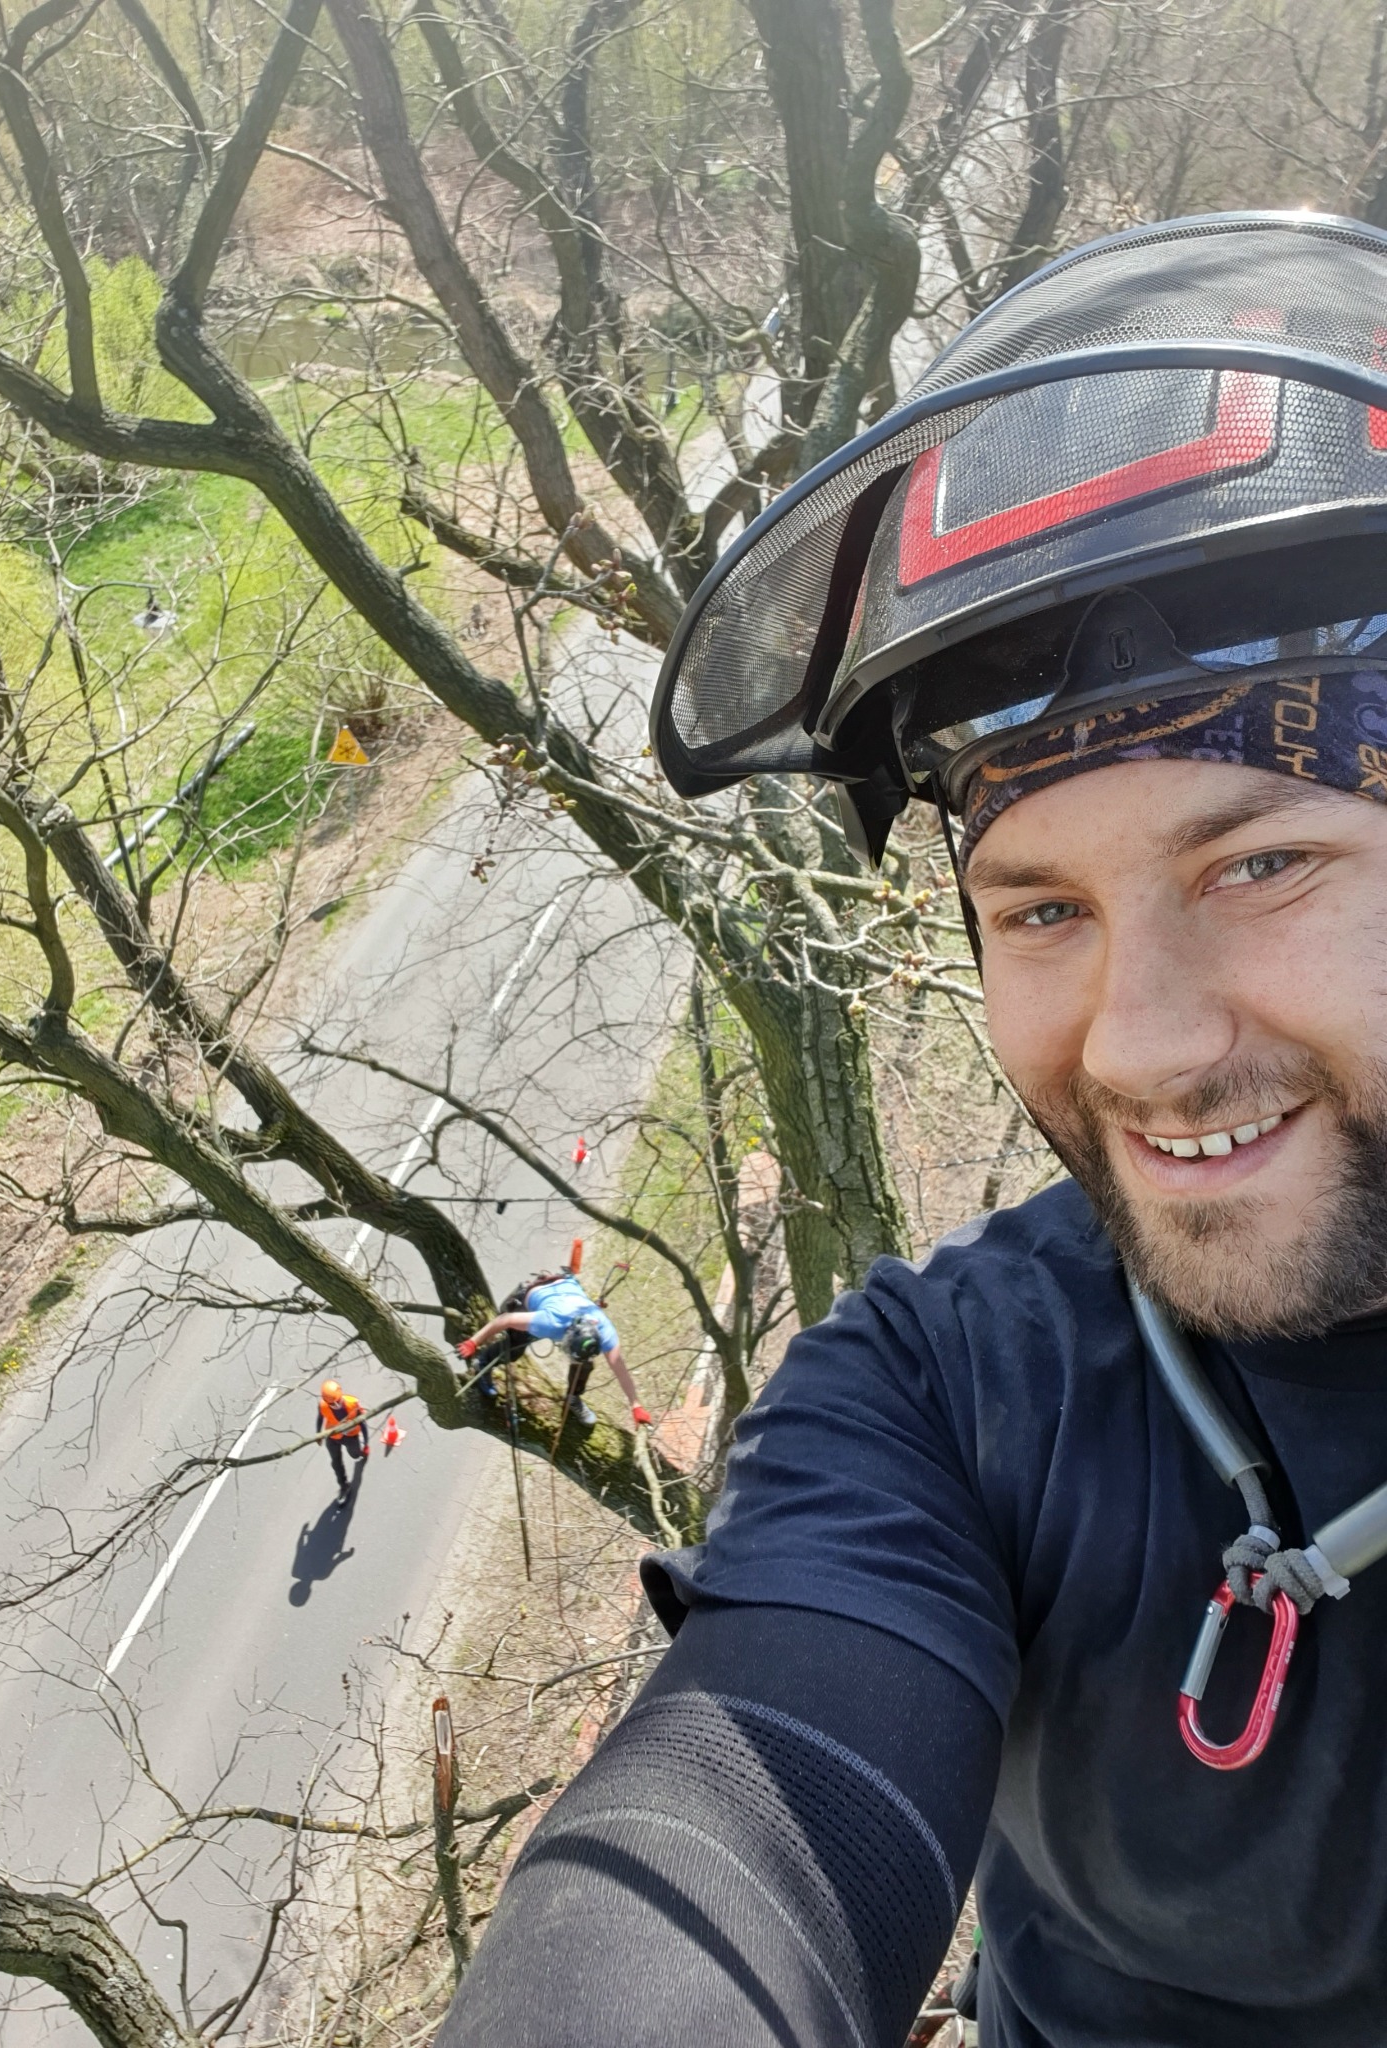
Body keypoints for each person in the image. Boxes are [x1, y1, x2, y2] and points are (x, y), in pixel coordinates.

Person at [437, 212, 1387, 2046]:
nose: (1141, 1043)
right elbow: (731, 1834)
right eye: (1041, 908)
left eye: (1262, 863)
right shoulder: (944, 1395)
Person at [459, 1269, 653, 1428]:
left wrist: (635, 1405)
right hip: (533, 1297)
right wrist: (473, 1342)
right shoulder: (550, 1323)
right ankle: (483, 1361)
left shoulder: (604, 1331)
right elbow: (506, 1320)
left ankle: (573, 1397)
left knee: (584, 1364)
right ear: (566, 1336)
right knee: (515, 1349)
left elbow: (620, 1369)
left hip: (567, 1292)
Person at [316, 1378, 368, 1498]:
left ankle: (359, 1448)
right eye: (332, 1404)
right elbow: (320, 1418)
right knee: (336, 1462)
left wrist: (366, 1443)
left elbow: (363, 1423)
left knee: (355, 1455)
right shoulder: (323, 1406)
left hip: (351, 1435)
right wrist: (318, 1435)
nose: (336, 1405)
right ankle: (343, 1486)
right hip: (333, 1436)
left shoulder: (353, 1403)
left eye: (337, 1401)